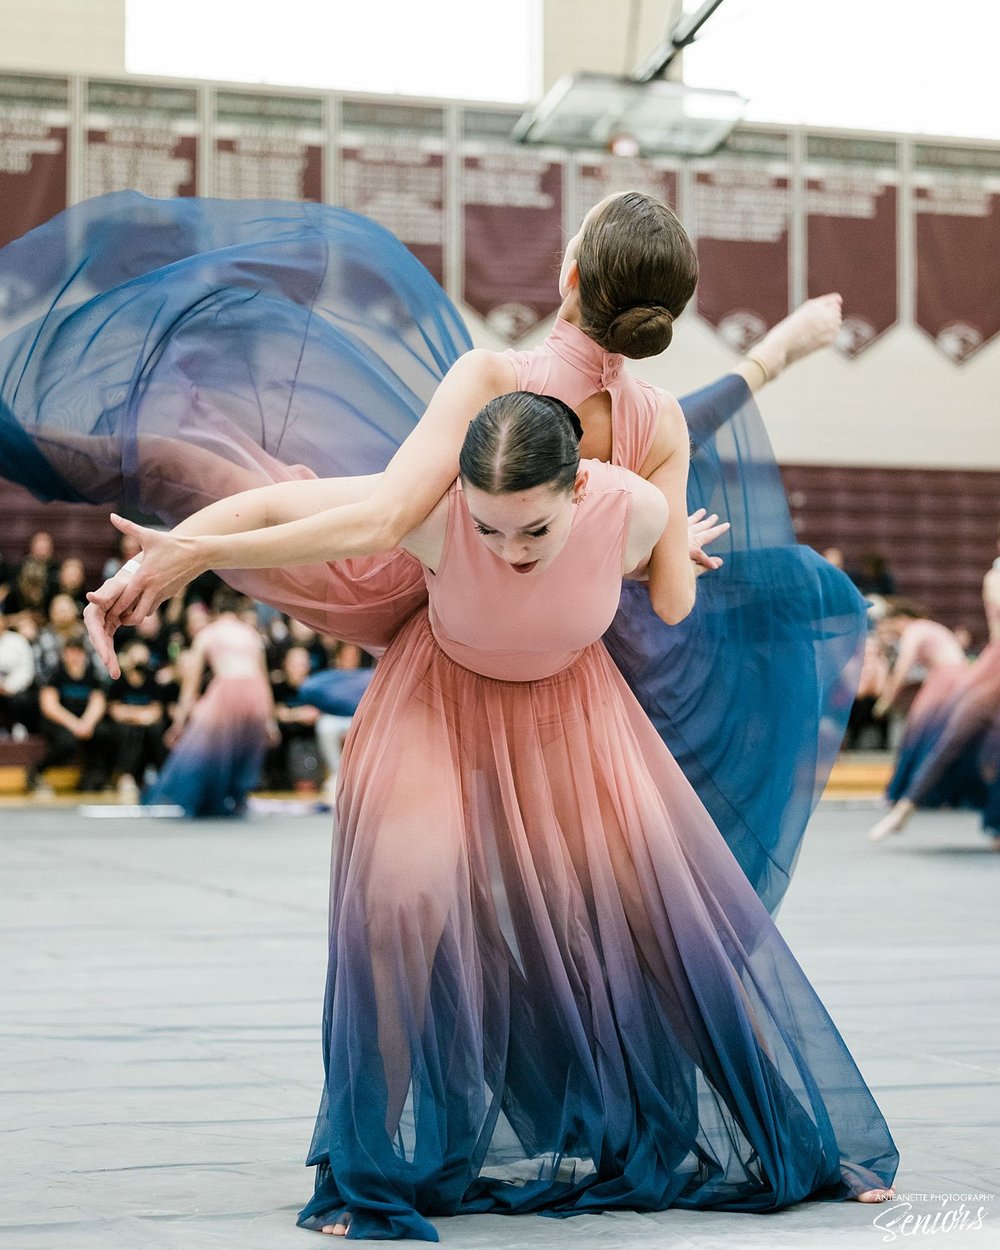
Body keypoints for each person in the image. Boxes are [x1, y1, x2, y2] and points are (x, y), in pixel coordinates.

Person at [0, 188, 858, 911]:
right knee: (561, 917)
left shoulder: (498, 381)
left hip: (418, 594)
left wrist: (189, 552)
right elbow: (671, 602)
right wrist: (639, 545)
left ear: (568, 276)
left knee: (209, 469)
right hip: (553, 657)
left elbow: (372, 518)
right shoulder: (654, 421)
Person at [258, 391, 893, 1237]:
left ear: (579, 496)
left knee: (666, 917)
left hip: (572, 711)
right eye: (489, 530)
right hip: (441, 699)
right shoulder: (429, 509)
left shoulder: (631, 507)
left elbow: (658, 579)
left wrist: (660, 551)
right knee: (400, 906)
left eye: (534, 531)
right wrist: (184, 553)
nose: (509, 550)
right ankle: (365, 1168)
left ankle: (792, 1141)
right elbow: (278, 506)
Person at [869, 533, 1000, 844]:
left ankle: (992, 823)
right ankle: (906, 805)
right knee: (954, 732)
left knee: (985, 741)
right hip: (993, 664)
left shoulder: (918, 629)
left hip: (970, 671)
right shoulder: (994, 577)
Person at [141, 587, 277, 817]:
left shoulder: (209, 633)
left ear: (215, 611)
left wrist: (179, 723)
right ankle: (236, 795)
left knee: (207, 744)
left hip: (228, 686)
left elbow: (190, 684)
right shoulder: (251, 634)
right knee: (239, 746)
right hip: (256, 690)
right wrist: (270, 721)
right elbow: (264, 678)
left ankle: (210, 796)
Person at [28, 630, 111, 794]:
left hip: (84, 720)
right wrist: (74, 725)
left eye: (78, 652)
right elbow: (50, 706)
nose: (75, 656)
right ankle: (37, 772)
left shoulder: (92, 674)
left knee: (104, 733)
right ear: (64, 654)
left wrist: (87, 723)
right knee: (67, 742)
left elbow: (98, 701)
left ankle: (94, 777)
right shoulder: (56, 673)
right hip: (60, 722)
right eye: (71, 652)